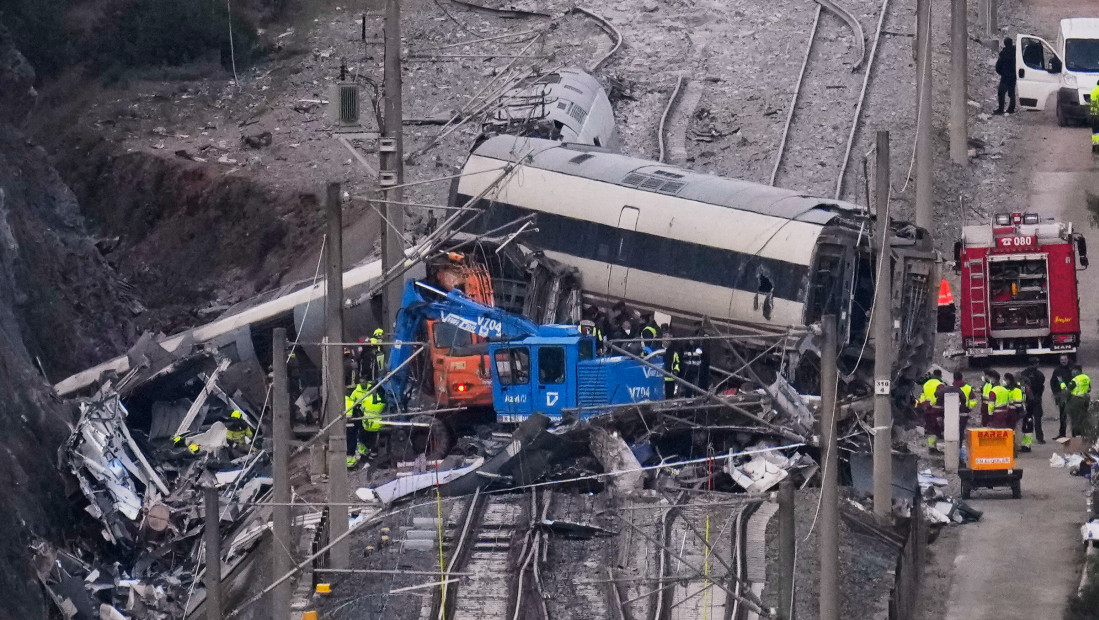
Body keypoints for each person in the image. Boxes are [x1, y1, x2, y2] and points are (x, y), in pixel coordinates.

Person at [1019, 358, 1046, 446]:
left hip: (1027, 400)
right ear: (1035, 364)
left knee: (1027, 420)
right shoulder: (1039, 374)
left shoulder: (1023, 374)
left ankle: (1027, 440)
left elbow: (1022, 388)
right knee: (1037, 420)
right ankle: (1040, 439)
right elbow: (1041, 388)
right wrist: (1037, 397)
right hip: (1036, 400)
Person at [916, 369, 945, 449]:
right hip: (937, 410)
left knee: (930, 428)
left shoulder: (926, 384)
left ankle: (931, 446)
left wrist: (926, 404)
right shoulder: (940, 384)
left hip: (927, 409)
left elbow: (922, 397)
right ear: (940, 375)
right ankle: (933, 447)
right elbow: (941, 396)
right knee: (936, 429)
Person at [1062, 366, 1092, 438]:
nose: (1072, 372)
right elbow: (1089, 389)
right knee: (1083, 419)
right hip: (1085, 400)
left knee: (1075, 420)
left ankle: (1077, 439)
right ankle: (1084, 436)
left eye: (1073, 371)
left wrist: (1061, 383)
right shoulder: (1086, 377)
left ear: (1077, 371)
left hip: (1076, 401)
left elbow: (1067, 392)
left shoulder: (1075, 380)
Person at [1051, 355, 1074, 439]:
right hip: (1062, 397)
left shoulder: (1072, 369)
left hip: (1072, 396)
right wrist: (1055, 394)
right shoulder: (1057, 370)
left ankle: (1076, 434)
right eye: (1061, 359)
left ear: (1068, 360)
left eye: (1065, 359)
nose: (1063, 361)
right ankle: (1062, 434)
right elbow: (1052, 382)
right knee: (1062, 416)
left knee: (1074, 416)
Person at [1004, 373, 1026, 450]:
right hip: (1012, 412)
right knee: (1015, 429)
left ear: (1009, 380)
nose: (1004, 381)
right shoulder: (1013, 389)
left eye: (1005, 379)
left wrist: (1019, 413)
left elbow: (1018, 404)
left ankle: (1016, 446)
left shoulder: (1015, 389)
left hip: (1015, 412)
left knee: (1016, 429)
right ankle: (1014, 445)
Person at [994, 37, 1017, 115]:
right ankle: (1011, 108)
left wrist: (1001, 73)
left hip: (1005, 76)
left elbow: (998, 66)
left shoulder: (1003, 54)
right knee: (1012, 92)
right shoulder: (1016, 52)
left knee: (1001, 92)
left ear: (1005, 44)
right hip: (1013, 75)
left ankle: (1001, 109)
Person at [952, 371, 976, 437]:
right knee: (962, 428)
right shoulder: (968, 387)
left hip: (953, 410)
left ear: (954, 378)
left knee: (954, 427)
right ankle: (960, 439)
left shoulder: (951, 387)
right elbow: (973, 400)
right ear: (962, 378)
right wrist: (969, 407)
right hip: (964, 410)